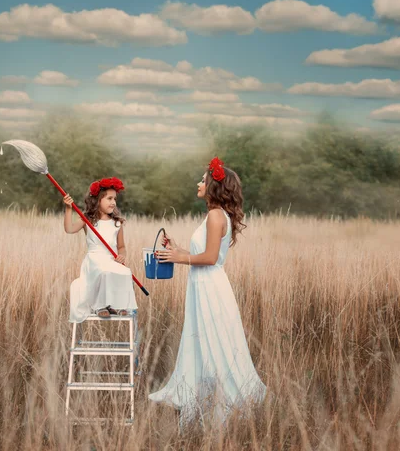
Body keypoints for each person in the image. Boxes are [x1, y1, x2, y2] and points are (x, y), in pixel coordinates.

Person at [149, 157, 266, 425]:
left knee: (215, 341)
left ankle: (222, 403)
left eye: (203, 179)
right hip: (204, 283)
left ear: (214, 185)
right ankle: (205, 398)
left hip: (210, 284)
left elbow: (211, 257)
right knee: (204, 340)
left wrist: (179, 257)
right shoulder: (215, 214)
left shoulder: (215, 215)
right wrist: (179, 248)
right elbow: (204, 253)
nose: (198, 183)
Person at [63, 177, 138, 322]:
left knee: (125, 272)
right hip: (94, 260)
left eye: (115, 199)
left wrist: (122, 256)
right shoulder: (88, 220)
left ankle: (119, 304)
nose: (113, 202)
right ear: (98, 200)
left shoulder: (117, 223)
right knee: (104, 271)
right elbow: (69, 229)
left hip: (111, 260)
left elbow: (121, 247)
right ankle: (100, 306)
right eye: (109, 198)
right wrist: (68, 209)